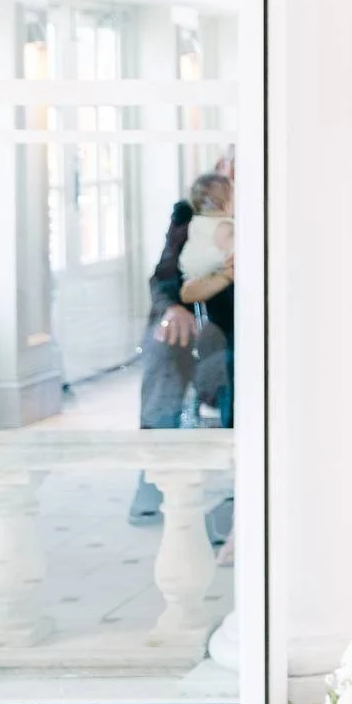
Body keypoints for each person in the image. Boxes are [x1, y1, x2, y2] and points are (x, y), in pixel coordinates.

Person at [129, 172, 238, 526]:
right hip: (198, 314)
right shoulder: (189, 214)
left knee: (231, 360)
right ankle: (156, 470)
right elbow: (165, 271)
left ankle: (243, 490)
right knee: (165, 346)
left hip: (246, 321)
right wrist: (173, 307)